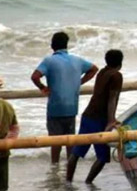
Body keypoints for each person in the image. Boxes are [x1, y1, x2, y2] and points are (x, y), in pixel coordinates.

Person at [30, 31, 98, 164]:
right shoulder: (77, 60)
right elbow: (94, 69)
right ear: (66, 45)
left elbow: (34, 76)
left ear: (52, 46)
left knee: (55, 142)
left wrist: (43, 88)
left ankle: (54, 168)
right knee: (70, 141)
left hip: (55, 107)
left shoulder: (49, 61)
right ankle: (69, 168)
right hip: (71, 107)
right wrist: (79, 82)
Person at [67, 49, 124, 184]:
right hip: (100, 119)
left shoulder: (102, 72)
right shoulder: (116, 76)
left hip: (88, 116)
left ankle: (68, 182)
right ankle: (88, 182)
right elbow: (112, 98)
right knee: (103, 156)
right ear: (120, 62)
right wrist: (111, 120)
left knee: (76, 152)